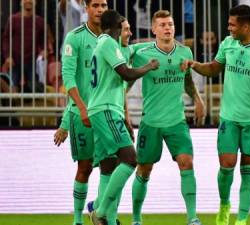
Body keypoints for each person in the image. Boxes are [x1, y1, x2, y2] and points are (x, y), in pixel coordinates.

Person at [182, 5, 250, 225]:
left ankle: (242, 219)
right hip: (228, 117)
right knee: (226, 165)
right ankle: (224, 205)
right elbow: (214, 68)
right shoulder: (228, 43)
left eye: (232, 24)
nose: (228, 28)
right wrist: (195, 65)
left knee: (248, 169)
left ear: (246, 26)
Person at [130, 10, 205, 225]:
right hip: (151, 121)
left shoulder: (185, 52)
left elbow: (187, 80)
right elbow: (125, 74)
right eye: (162, 24)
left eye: (170, 24)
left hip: (176, 121)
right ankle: (136, 219)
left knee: (187, 163)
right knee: (144, 170)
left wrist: (198, 100)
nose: (167, 28)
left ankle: (192, 218)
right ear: (153, 29)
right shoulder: (142, 53)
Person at [88, 9, 159, 225]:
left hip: (103, 109)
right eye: (125, 28)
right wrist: (149, 66)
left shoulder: (107, 45)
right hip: (106, 109)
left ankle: (108, 220)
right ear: (117, 26)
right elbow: (126, 73)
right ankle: (99, 210)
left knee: (109, 166)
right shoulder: (109, 43)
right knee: (130, 159)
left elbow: (135, 49)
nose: (128, 33)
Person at [56, 1, 108, 224]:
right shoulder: (75, 38)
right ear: (86, 8)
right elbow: (68, 78)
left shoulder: (112, 38)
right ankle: (77, 219)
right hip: (82, 115)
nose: (100, 9)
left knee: (114, 165)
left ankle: (99, 210)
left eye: (104, 5)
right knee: (85, 167)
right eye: (95, 5)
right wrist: (76, 113)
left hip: (106, 115)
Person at [1, 0, 53, 93]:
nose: (28, 1)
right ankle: (14, 104)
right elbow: (6, 40)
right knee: (12, 88)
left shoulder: (39, 21)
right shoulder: (13, 19)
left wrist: (45, 50)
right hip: (14, 60)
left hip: (32, 61)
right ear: (20, 3)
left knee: (34, 89)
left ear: (35, 2)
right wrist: (8, 56)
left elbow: (45, 40)